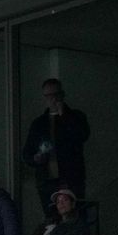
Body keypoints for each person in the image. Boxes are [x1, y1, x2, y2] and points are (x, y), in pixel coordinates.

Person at [23, 77, 91, 216]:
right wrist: (36, 159)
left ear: (62, 94)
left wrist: (64, 116)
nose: (53, 99)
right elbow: (27, 152)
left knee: (76, 216)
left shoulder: (76, 116)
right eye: (48, 96)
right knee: (52, 218)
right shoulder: (39, 123)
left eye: (55, 95)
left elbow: (82, 136)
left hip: (71, 177)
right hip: (47, 180)